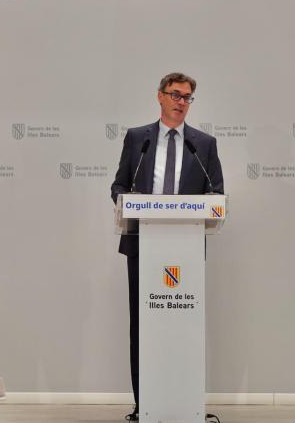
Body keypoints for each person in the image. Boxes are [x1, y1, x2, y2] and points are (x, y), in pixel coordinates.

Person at [110, 72, 224, 421]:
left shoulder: (204, 144)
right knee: (142, 327)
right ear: (160, 96)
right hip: (142, 245)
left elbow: (216, 192)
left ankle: (185, 404)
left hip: (185, 249)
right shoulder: (138, 139)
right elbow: (119, 185)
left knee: (183, 327)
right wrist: (128, 203)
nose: (181, 102)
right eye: (175, 94)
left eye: (187, 97)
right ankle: (143, 405)